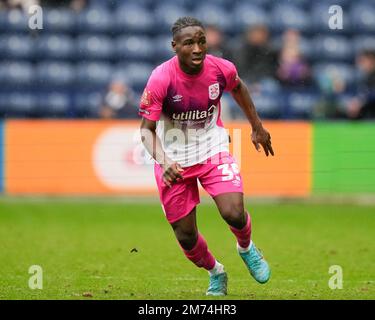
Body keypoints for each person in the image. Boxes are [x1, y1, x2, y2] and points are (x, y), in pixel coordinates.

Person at [139, 17, 274, 296]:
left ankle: (247, 248)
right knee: (186, 237)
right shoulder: (161, 78)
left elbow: (238, 88)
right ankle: (216, 272)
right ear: (175, 46)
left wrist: (257, 127)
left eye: (202, 41)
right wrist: (164, 162)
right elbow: (146, 131)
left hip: (212, 148)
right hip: (174, 161)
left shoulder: (220, 69)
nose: (198, 48)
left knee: (234, 212)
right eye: (189, 43)